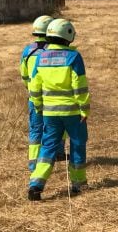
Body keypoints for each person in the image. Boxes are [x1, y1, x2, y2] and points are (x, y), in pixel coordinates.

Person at [27, 18, 90, 201]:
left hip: (49, 113)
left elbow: (34, 86)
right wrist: (84, 109)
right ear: (68, 36)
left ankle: (36, 183)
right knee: (78, 145)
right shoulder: (74, 57)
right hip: (73, 113)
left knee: (47, 147)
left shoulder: (41, 57)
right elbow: (80, 86)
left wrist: (39, 106)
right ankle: (77, 183)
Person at [20, 15, 52, 172]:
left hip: (34, 97)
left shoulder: (28, 51)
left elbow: (24, 75)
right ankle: (57, 154)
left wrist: (30, 88)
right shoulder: (53, 51)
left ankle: (33, 163)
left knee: (35, 129)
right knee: (56, 128)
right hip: (52, 97)